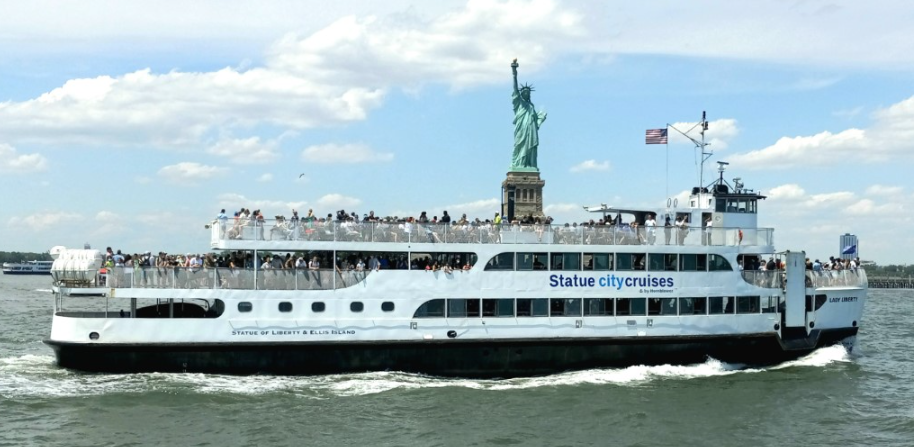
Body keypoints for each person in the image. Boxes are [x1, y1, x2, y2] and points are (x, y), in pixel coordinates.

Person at [510, 59, 547, 170]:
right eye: (524, 92)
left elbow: (536, 123)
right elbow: (515, 89)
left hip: (531, 131)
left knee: (531, 148)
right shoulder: (519, 104)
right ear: (521, 94)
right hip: (521, 131)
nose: (526, 93)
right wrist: (514, 73)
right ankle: (520, 165)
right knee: (520, 147)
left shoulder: (531, 106)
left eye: (528, 92)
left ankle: (530, 165)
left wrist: (541, 118)